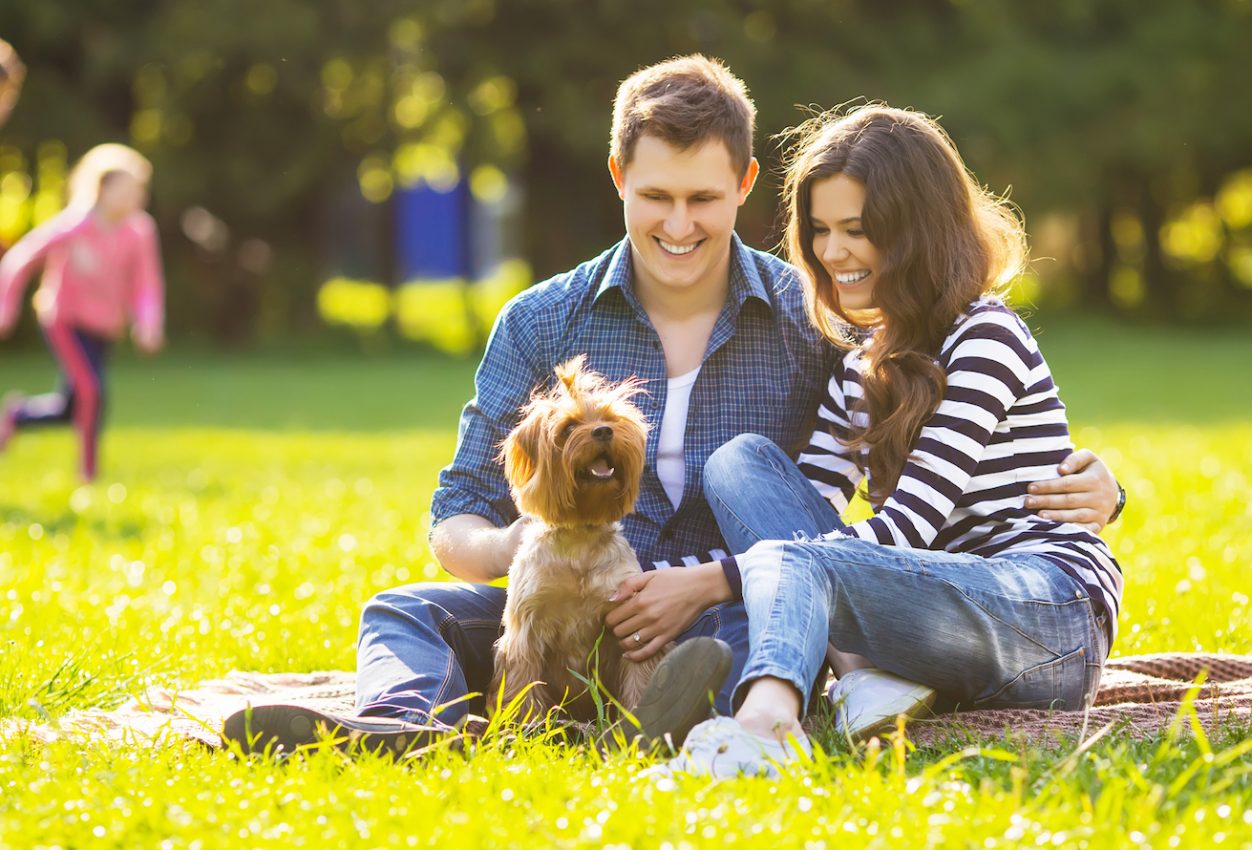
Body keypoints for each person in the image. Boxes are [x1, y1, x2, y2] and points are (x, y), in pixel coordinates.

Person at [225, 57, 1122, 755]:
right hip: (573, 598)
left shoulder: (815, 323)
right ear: (617, 176)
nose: (680, 224)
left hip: (731, 600)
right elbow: (457, 509)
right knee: (405, 608)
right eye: (655, 196)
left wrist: (1104, 486)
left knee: (751, 581)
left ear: (743, 185)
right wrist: (526, 549)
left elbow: (903, 480)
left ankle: (690, 708)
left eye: (703, 198)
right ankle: (399, 729)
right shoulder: (543, 320)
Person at [662, 105, 1124, 778]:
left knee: (797, 561)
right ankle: (864, 677)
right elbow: (804, 512)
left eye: (858, 230)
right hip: (935, 620)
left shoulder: (986, 335)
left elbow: (908, 527)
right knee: (740, 466)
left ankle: (765, 724)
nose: (831, 252)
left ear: (918, 231)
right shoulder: (862, 366)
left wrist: (712, 581)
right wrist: (650, 584)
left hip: (1047, 613)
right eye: (820, 230)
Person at [0, 143, 165, 481]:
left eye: (141, 191)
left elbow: (147, 283)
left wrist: (148, 323)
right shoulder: (73, 226)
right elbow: (19, 259)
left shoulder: (140, 231)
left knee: (70, 407)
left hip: (104, 328)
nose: (138, 198)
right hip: (64, 320)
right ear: (103, 188)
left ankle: (17, 416)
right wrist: (5, 306)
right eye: (130, 189)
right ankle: (88, 476)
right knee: (92, 390)